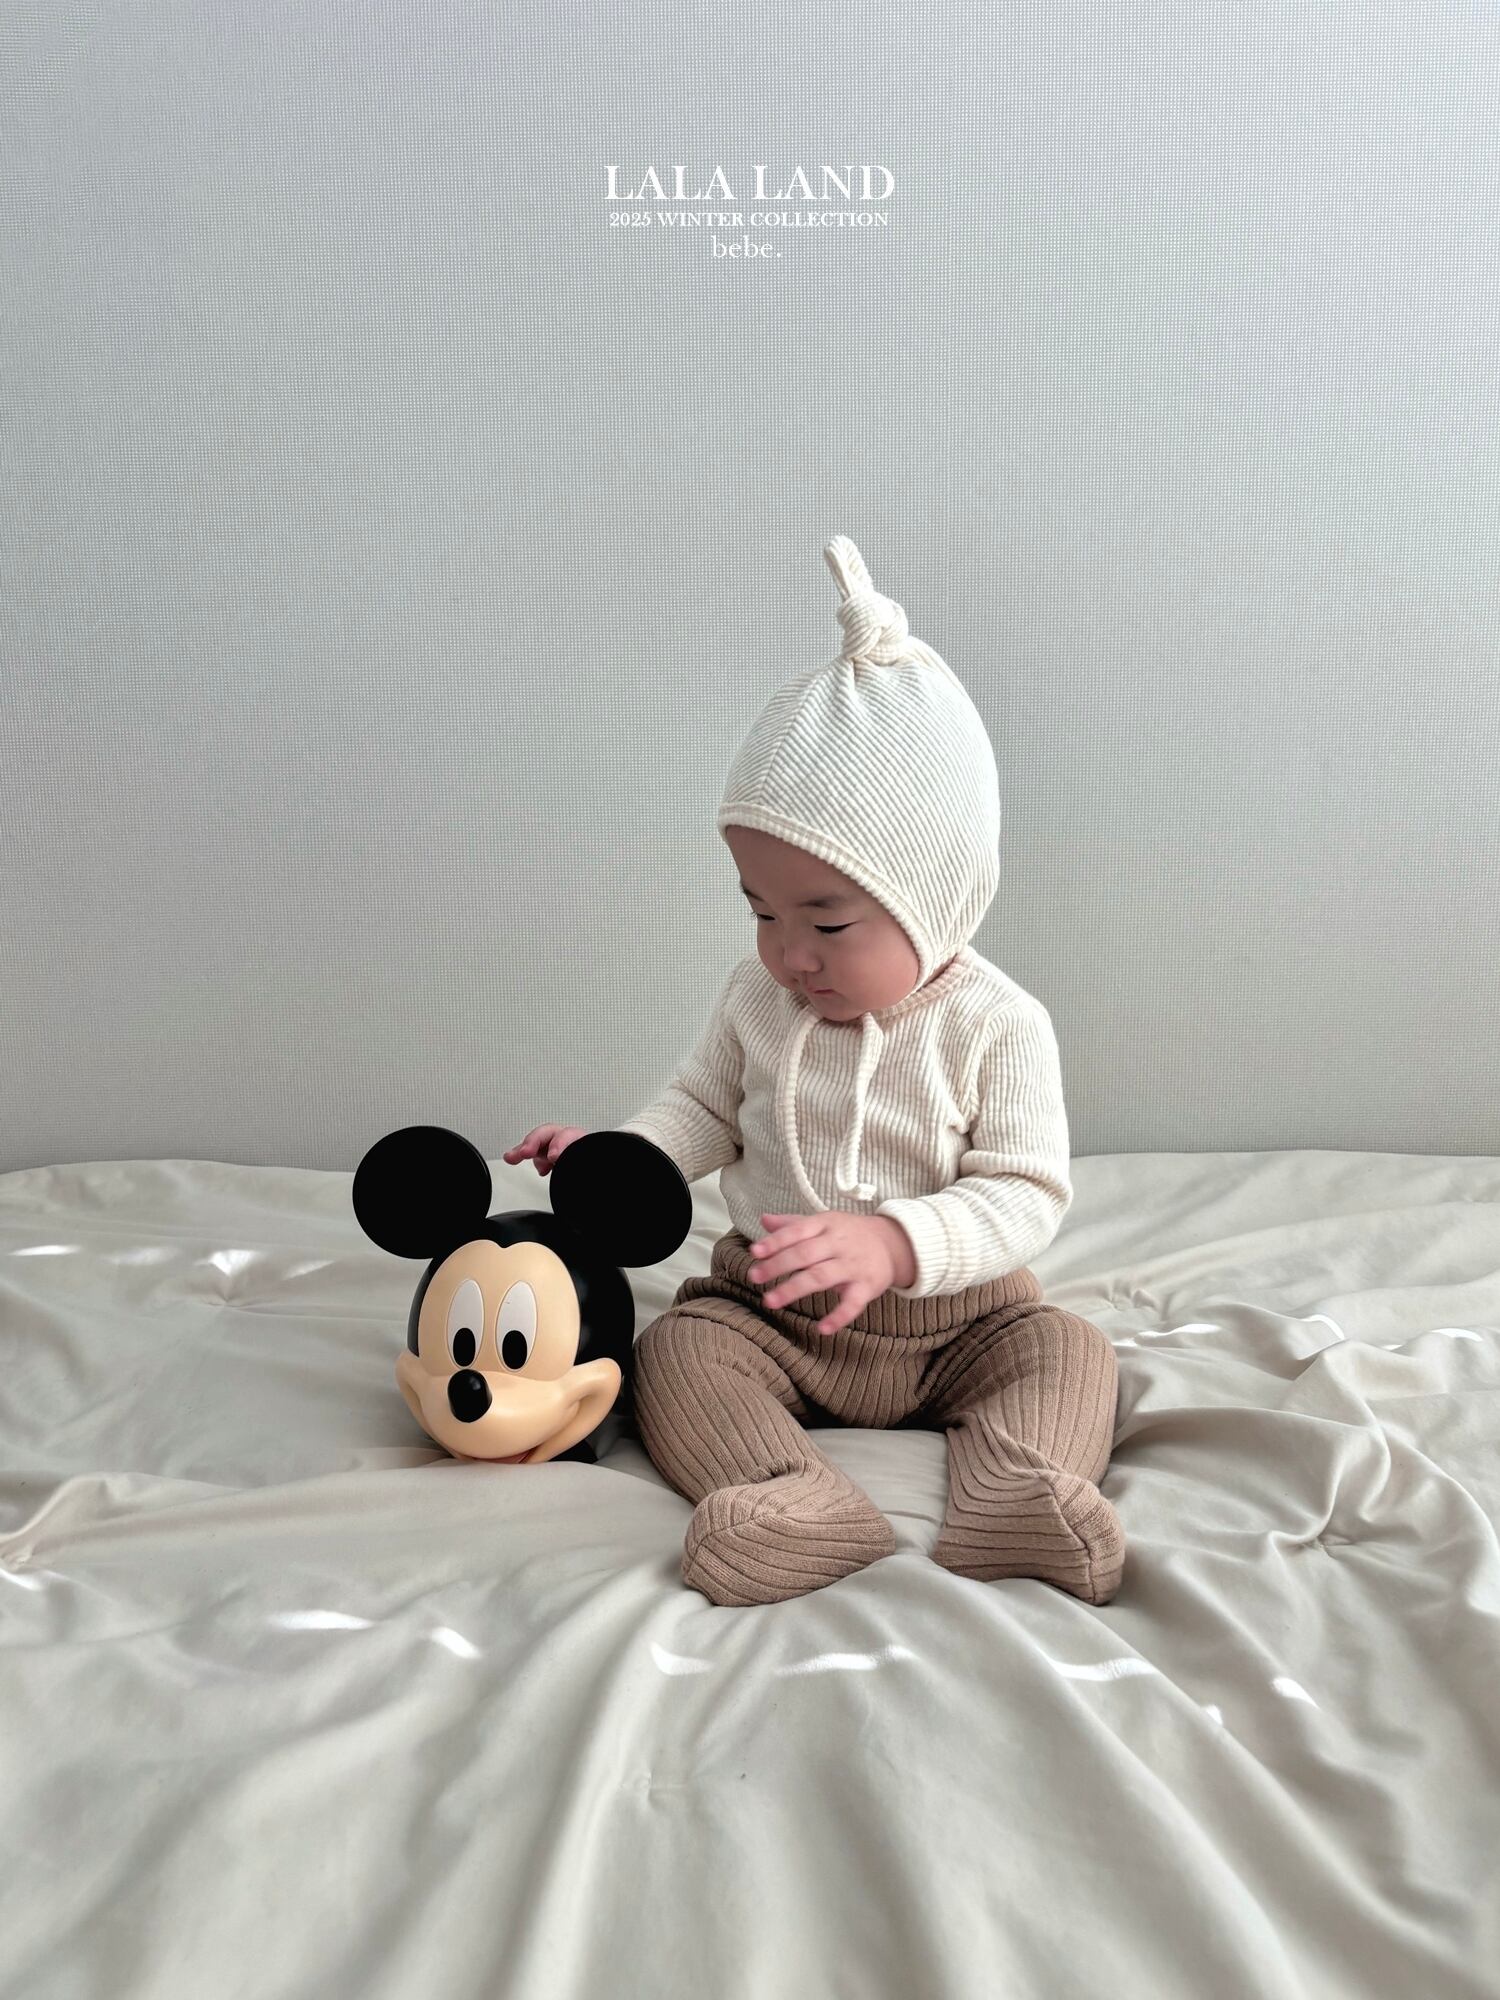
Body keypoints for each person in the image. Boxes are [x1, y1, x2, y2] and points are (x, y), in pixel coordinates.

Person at [505, 535, 1124, 1610]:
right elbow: (701, 1108)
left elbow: (1027, 1192)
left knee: (1068, 1351)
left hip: (960, 1323)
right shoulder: (757, 1001)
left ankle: (1020, 1488)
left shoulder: (997, 1023)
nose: (790, 952)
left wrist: (895, 1243)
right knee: (678, 1353)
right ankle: (788, 1495)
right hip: (774, 1316)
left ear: (937, 897)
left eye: (828, 922)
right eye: (761, 911)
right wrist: (621, 1158)